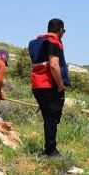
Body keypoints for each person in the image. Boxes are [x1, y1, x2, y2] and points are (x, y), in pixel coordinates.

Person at [29, 18, 71, 157]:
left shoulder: (34, 43)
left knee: (48, 117)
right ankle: (51, 150)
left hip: (37, 84)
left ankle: (49, 148)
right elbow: (54, 65)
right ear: (60, 30)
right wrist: (60, 85)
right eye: (63, 31)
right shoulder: (53, 42)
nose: (63, 34)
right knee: (52, 118)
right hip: (49, 85)